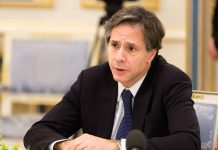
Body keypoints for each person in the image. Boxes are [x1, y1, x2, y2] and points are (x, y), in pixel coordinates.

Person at [23, 6, 201, 150]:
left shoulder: (171, 82)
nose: (119, 57)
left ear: (151, 54)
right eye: (114, 45)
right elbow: (38, 132)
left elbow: (188, 142)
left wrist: (117, 146)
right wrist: (66, 145)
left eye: (131, 49)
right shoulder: (91, 80)